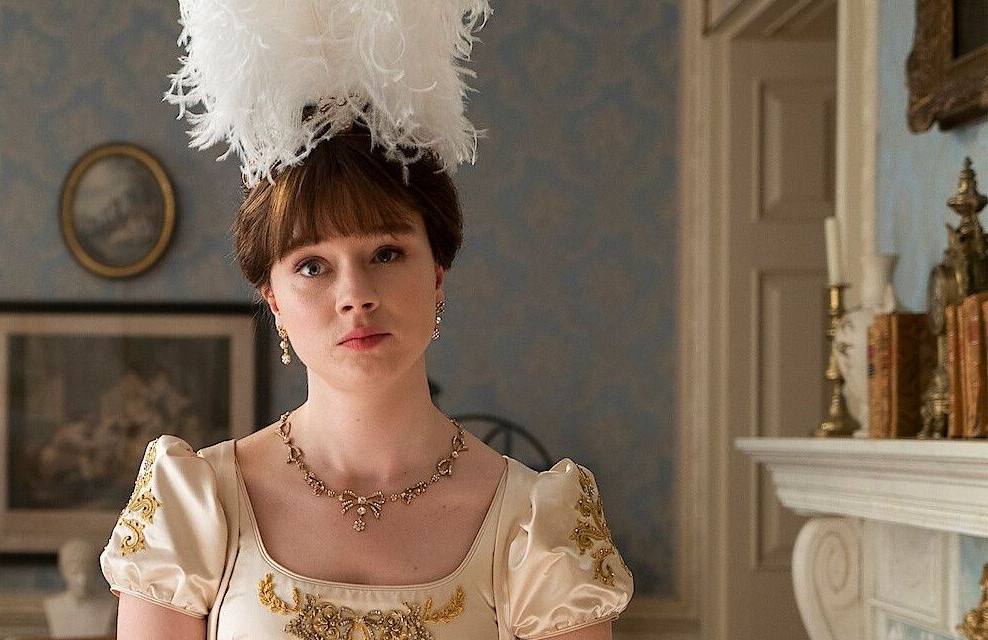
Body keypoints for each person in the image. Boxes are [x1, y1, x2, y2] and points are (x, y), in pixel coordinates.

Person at [99, 2, 632, 638]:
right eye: (313, 266)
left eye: (386, 253)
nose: (355, 294)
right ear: (273, 300)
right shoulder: (195, 505)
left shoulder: (534, 523)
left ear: (437, 273)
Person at [45, 538, 117, 638]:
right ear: (64, 572)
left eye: (88, 573)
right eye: (75, 573)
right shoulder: (52, 605)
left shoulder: (110, 605)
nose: (82, 580)